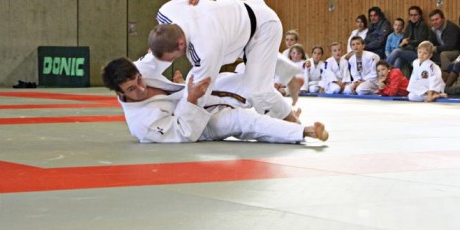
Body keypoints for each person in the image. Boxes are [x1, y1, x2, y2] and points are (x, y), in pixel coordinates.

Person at [101, 57, 329, 144]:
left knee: (246, 79)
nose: (141, 88)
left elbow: (161, 51)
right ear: (119, 92)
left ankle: (287, 116)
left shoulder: (139, 69)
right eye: (132, 89)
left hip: (194, 95)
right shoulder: (141, 123)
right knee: (244, 121)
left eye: (139, 80)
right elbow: (184, 134)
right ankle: (303, 131)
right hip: (200, 126)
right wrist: (191, 99)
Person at [145, 0, 298, 122]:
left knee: (258, 92)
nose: (173, 60)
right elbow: (190, 0)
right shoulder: (166, 11)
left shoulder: (205, 49)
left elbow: (199, 95)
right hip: (236, 22)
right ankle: (288, 73)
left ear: (180, 43)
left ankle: (294, 122)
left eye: (172, 58)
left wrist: (179, 119)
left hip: (263, 28)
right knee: (254, 60)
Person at [386, 6, 431, 73]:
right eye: (411, 15)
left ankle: (384, 68)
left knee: (397, 51)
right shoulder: (409, 25)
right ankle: (393, 76)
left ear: (420, 16)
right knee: (398, 60)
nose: (413, 17)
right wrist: (403, 42)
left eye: (415, 15)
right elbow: (403, 39)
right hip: (408, 50)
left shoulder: (423, 25)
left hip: (417, 52)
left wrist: (408, 41)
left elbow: (421, 41)